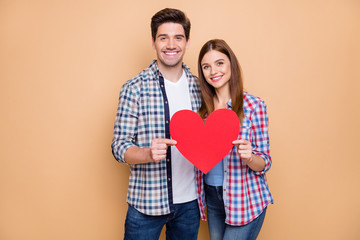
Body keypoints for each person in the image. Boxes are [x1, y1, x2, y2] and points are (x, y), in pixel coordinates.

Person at [111, 8, 203, 240]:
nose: (171, 44)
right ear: (154, 42)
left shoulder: (200, 88)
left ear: (187, 42)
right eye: (163, 37)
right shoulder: (134, 88)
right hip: (146, 203)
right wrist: (147, 154)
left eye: (178, 37)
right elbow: (119, 146)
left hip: (190, 204)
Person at [195, 39, 273, 240]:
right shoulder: (201, 113)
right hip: (212, 198)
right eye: (206, 66)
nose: (213, 71)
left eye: (219, 63)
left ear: (231, 64)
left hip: (244, 200)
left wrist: (249, 157)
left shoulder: (254, 106)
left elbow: (265, 162)